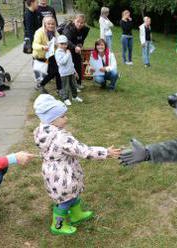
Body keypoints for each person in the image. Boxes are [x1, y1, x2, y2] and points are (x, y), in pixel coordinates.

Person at [33, 94, 121, 235]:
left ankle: (76, 214)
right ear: (51, 119)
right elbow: (83, 151)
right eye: (62, 116)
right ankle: (58, 225)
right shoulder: (61, 138)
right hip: (63, 174)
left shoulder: (41, 131)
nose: (66, 118)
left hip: (51, 170)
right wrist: (105, 152)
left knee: (71, 195)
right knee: (65, 200)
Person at [33, 16, 61, 94]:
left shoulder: (55, 32)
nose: (51, 26)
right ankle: (40, 84)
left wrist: (60, 45)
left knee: (57, 70)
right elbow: (34, 45)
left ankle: (60, 89)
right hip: (40, 56)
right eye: (48, 24)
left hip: (51, 55)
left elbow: (60, 41)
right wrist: (43, 47)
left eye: (52, 24)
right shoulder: (39, 32)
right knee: (51, 73)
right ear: (44, 24)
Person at [63, 14, 90, 89]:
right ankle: (68, 84)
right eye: (78, 21)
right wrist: (74, 47)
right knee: (70, 65)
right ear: (74, 20)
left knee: (78, 64)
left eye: (82, 23)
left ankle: (78, 83)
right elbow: (66, 40)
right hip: (66, 48)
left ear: (84, 23)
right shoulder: (68, 28)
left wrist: (80, 45)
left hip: (77, 48)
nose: (79, 24)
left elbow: (82, 39)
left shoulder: (85, 29)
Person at [55, 35, 83, 105]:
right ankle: (65, 98)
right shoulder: (58, 52)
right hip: (64, 73)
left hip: (71, 72)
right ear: (58, 44)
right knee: (65, 86)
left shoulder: (68, 51)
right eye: (61, 44)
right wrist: (67, 54)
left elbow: (71, 63)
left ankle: (74, 96)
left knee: (73, 85)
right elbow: (62, 62)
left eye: (65, 44)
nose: (63, 45)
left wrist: (75, 71)